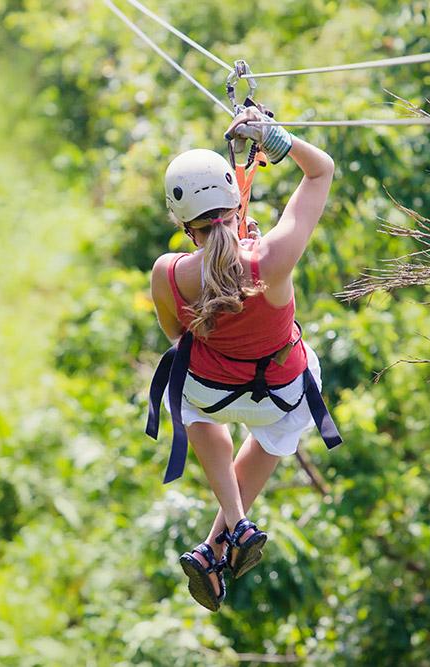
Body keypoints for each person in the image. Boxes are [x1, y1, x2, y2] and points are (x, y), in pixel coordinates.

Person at [146, 107, 341, 611]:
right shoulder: (272, 259)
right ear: (237, 202)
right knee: (276, 428)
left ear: (183, 224)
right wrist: (277, 140)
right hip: (281, 392)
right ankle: (224, 537)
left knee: (183, 389)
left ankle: (230, 531)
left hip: (211, 392)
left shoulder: (167, 273)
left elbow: (178, 334)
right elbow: (321, 170)